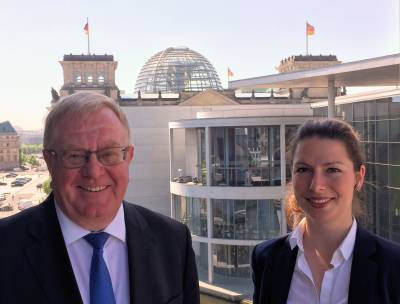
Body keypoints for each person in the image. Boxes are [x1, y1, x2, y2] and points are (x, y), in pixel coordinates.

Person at [0, 92, 200, 304]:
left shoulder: (173, 241)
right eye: (75, 155)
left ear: (128, 157)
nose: (94, 172)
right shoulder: (5, 249)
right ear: (49, 161)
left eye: (108, 153)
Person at [252, 119, 400, 304]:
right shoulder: (266, 258)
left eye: (332, 169)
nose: (316, 185)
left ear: (358, 178)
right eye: (304, 169)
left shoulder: (393, 266)